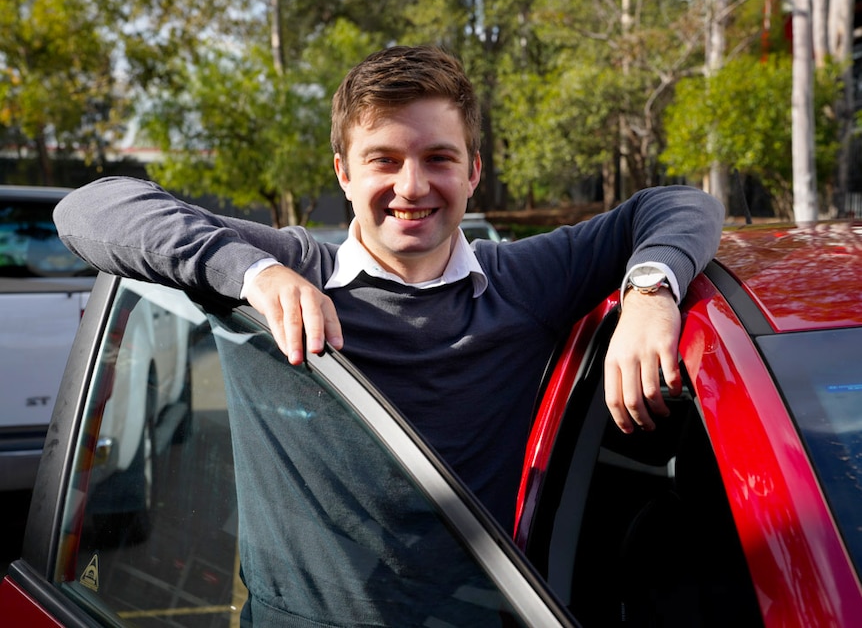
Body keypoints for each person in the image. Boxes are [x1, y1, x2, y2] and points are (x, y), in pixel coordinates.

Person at [55, 44, 722, 616]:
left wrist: (650, 292)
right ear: (343, 172)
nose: (413, 186)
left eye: (438, 157)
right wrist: (254, 275)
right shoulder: (284, 269)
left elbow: (680, 204)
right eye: (383, 159)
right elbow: (89, 207)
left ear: (473, 170)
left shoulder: (524, 279)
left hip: (480, 616)